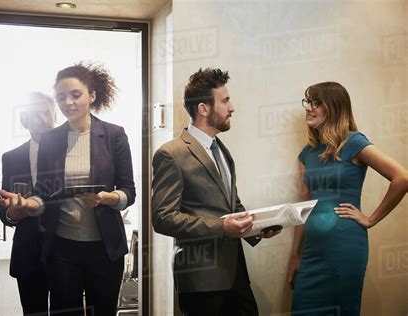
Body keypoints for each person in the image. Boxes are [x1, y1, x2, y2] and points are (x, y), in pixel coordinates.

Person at [0, 63, 136, 316]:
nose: (68, 103)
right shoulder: (52, 140)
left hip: (105, 247)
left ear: (91, 95)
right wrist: (28, 205)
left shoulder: (114, 135)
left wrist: (109, 198)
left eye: (75, 95)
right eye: (61, 97)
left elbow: (129, 191)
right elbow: (43, 193)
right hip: (62, 248)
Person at [151, 68, 280, 316]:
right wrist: (222, 228)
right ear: (203, 109)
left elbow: (232, 205)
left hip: (236, 275)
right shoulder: (171, 154)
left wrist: (259, 228)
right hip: (201, 279)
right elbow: (163, 218)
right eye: (225, 101)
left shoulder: (221, 149)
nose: (232, 108)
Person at [288, 82, 408, 315]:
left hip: (344, 249)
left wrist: (370, 219)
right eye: (307, 102)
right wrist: (294, 256)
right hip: (312, 253)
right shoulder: (306, 154)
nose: (309, 108)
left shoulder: (353, 143)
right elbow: (302, 207)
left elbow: (402, 178)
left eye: (316, 103)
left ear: (333, 108)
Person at [0, 92, 55, 315]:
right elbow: (5, 212)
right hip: (28, 253)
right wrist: (13, 214)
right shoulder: (11, 158)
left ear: (54, 115)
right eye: (35, 114)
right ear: (24, 120)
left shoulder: (72, 154)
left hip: (66, 252)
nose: (42, 119)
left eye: (47, 112)